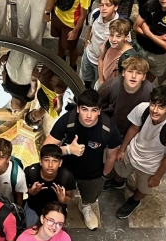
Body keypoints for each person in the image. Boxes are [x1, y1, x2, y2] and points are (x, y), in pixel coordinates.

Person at [44, 89, 122, 230]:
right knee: (61, 196)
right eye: (85, 109)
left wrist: (103, 176)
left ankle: (85, 207)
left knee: (90, 196)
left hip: (93, 172)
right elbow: (45, 149)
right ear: (78, 109)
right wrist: (68, 149)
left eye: (93, 110)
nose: (89, 115)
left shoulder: (108, 128)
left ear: (99, 111)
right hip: (66, 170)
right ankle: (62, 208)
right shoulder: (67, 121)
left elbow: (112, 156)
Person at [113, 85, 166, 218]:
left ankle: (134, 201)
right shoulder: (142, 109)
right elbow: (134, 128)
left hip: (150, 165)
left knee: (144, 188)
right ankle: (117, 182)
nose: (155, 110)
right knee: (120, 170)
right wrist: (122, 149)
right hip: (133, 150)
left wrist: (157, 177)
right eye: (153, 104)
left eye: (161, 107)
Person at [52, 0, 94, 71]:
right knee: (60, 40)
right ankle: (60, 57)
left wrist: (75, 31)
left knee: (71, 47)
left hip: (70, 24)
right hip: (58, 15)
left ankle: (72, 65)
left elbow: (83, 14)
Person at [23, 144, 76, 227]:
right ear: (40, 161)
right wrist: (32, 192)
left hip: (55, 210)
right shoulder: (31, 172)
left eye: (55, 161)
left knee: (53, 232)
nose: (50, 165)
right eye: (46, 160)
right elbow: (23, 190)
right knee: (27, 230)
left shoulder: (66, 176)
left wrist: (62, 199)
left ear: (60, 163)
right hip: (33, 207)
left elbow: (69, 197)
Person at [99, 56, 153, 132]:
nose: (134, 76)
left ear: (144, 77)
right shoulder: (109, 86)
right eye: (130, 71)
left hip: (134, 130)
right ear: (123, 73)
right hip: (109, 127)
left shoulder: (149, 92)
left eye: (138, 73)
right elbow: (97, 108)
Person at [81, 0, 122, 89]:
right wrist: (87, 40)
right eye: (101, 4)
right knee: (85, 77)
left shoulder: (119, 24)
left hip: (102, 62)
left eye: (108, 5)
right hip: (89, 54)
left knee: (97, 84)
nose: (103, 8)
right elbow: (91, 27)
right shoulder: (95, 14)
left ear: (115, 7)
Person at [97, 19, 138, 88]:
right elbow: (101, 59)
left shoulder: (130, 56)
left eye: (118, 36)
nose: (113, 39)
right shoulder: (108, 43)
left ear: (126, 37)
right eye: (111, 35)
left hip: (114, 87)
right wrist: (101, 80)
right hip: (102, 81)